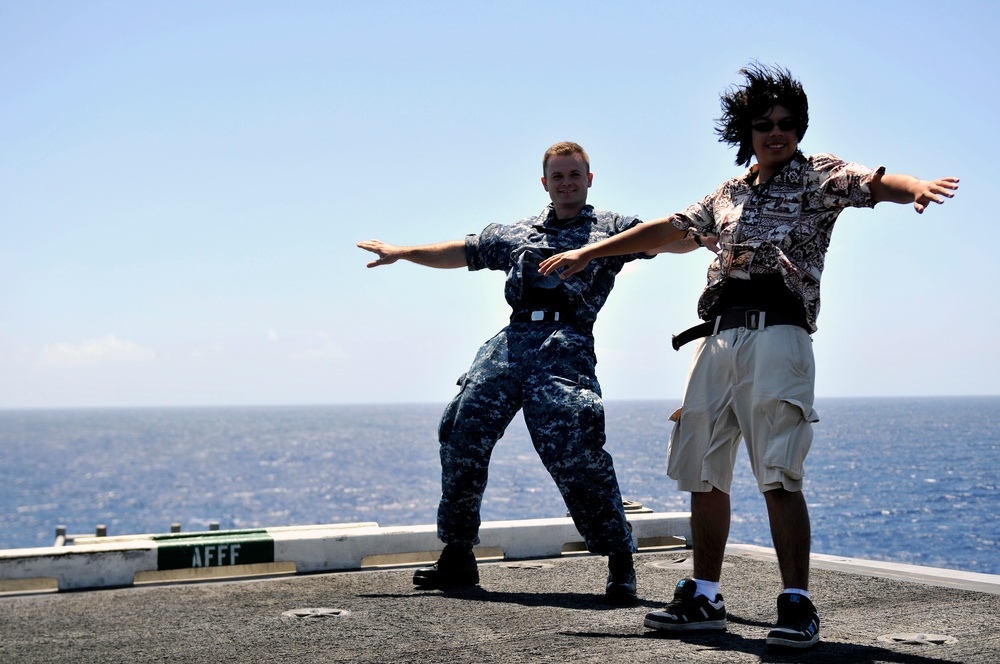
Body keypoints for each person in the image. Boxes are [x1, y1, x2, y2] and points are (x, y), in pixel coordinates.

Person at [538, 64, 958, 647]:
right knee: (703, 471)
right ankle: (704, 597)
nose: (776, 133)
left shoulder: (818, 177)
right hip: (717, 338)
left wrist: (915, 189)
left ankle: (796, 603)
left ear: (800, 128)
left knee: (779, 475)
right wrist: (593, 252)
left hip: (778, 335)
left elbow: (874, 183)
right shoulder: (729, 192)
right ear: (748, 131)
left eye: (787, 124)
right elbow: (668, 228)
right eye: (764, 124)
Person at [357, 141, 696, 604]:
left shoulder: (611, 230)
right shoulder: (518, 232)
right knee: (460, 430)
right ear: (545, 183)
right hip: (511, 343)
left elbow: (663, 239)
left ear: (589, 179)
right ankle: (457, 554)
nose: (567, 183)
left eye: (575, 174)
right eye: (558, 176)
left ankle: (619, 559)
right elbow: (463, 250)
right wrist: (403, 252)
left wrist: (704, 236)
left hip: (565, 345)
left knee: (575, 448)